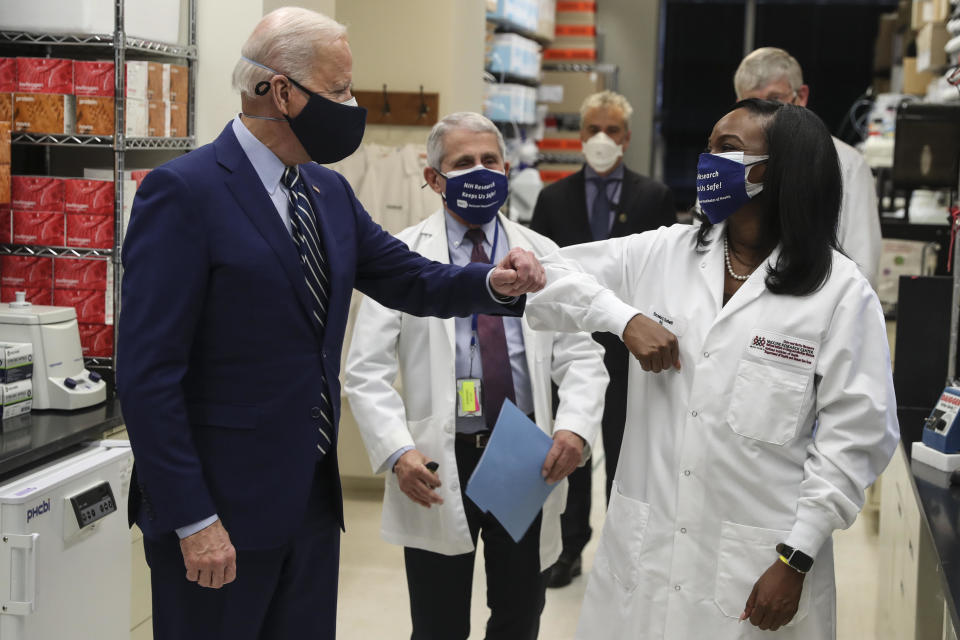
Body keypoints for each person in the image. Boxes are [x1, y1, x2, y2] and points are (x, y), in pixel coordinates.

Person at [117, 10, 546, 640]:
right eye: (340, 90)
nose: (351, 105)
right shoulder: (184, 193)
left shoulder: (325, 191)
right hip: (220, 516)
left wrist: (493, 283)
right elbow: (148, 376)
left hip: (310, 510)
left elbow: (408, 277)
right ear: (282, 92)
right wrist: (193, 520)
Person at [525, 99, 899, 639]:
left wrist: (795, 558)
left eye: (728, 150)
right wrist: (622, 317)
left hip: (758, 565)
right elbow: (543, 270)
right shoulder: (665, 253)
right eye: (708, 148)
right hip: (645, 555)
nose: (707, 163)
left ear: (781, 170)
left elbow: (854, 439)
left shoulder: (839, 294)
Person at [343, 112, 608, 640]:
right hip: (437, 460)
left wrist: (575, 428)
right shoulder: (403, 257)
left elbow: (581, 356)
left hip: (522, 451)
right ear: (433, 179)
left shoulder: (542, 255)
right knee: (438, 622)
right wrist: (397, 451)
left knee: (518, 613)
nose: (480, 171)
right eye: (463, 163)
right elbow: (364, 371)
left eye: (490, 161)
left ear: (508, 170)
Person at [530, 90, 676, 588]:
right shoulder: (553, 198)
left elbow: (665, 276)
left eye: (611, 130)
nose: (600, 139)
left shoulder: (652, 196)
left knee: (625, 449)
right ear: (579, 136)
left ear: (627, 139)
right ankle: (569, 548)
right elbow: (542, 278)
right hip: (568, 349)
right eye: (592, 128)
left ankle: (621, 552)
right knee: (570, 445)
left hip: (629, 352)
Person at [735, 46, 882, 288]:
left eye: (774, 100)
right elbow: (705, 248)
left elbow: (863, 267)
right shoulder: (726, 161)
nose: (763, 116)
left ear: (800, 96)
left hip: (813, 313)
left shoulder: (846, 163)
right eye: (752, 104)